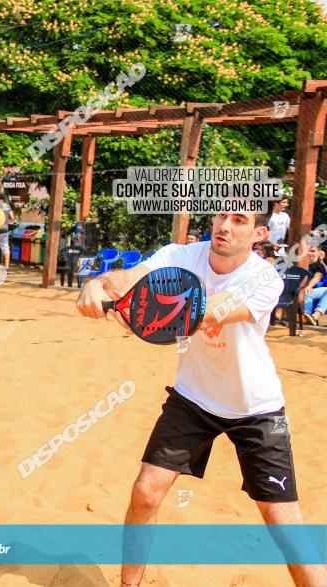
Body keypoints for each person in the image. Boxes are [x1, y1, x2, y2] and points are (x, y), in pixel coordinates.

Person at [77, 211, 327, 587]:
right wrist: (100, 284)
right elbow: (132, 277)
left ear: (260, 233)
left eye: (239, 220)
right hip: (192, 400)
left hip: (256, 409)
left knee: (283, 523)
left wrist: (148, 313)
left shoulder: (264, 278)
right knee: (146, 492)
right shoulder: (182, 255)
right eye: (221, 216)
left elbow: (209, 313)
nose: (225, 226)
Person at [303, 246, 327, 325]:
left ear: (319, 253)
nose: (310, 253)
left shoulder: (318, 265)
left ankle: (310, 317)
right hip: (296, 291)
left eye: (313, 251)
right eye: (308, 251)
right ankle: (308, 317)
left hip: (308, 291)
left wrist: (309, 286)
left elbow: (318, 276)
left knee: (308, 293)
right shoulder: (300, 263)